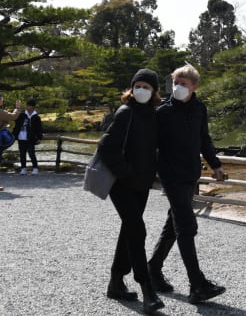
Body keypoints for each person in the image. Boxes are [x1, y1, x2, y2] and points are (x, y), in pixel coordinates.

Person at [148, 64, 226, 305]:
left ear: (194, 86)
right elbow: (151, 144)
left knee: (173, 225)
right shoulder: (162, 112)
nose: (178, 87)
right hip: (170, 175)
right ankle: (197, 284)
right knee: (186, 226)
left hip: (191, 173)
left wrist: (215, 164)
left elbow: (204, 138)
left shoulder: (200, 109)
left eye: (184, 83)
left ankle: (153, 270)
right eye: (176, 82)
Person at [97, 69, 164, 314]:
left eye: (147, 87)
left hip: (142, 185)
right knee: (138, 228)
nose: (142, 90)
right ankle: (146, 289)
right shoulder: (126, 112)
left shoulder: (154, 116)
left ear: (154, 91)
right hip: (122, 184)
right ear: (132, 88)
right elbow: (105, 147)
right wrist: (124, 172)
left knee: (129, 229)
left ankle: (115, 282)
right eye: (138, 86)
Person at [13, 98, 43, 175]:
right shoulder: (22, 115)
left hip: (30, 138)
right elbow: (15, 120)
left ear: (33, 107)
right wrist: (17, 108)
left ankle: (35, 168)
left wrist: (39, 137)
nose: (27, 107)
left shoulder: (36, 117)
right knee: (22, 154)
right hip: (21, 137)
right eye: (27, 105)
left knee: (31, 153)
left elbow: (39, 128)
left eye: (29, 106)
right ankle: (23, 168)